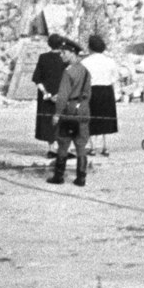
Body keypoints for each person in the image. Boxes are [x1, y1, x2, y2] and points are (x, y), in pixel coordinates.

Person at [47, 39, 92, 187]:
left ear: (72, 53)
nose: (61, 55)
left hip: (69, 109)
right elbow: (87, 93)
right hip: (83, 108)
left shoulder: (68, 72)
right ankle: (81, 178)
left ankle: (59, 177)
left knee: (63, 142)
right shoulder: (85, 71)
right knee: (81, 143)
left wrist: (57, 114)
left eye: (64, 52)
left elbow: (63, 95)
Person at [82, 34, 122, 156]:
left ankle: (93, 147)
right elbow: (115, 78)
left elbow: (83, 79)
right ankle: (105, 147)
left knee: (92, 118)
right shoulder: (110, 61)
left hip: (92, 90)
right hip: (106, 91)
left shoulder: (85, 62)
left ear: (90, 47)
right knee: (105, 118)